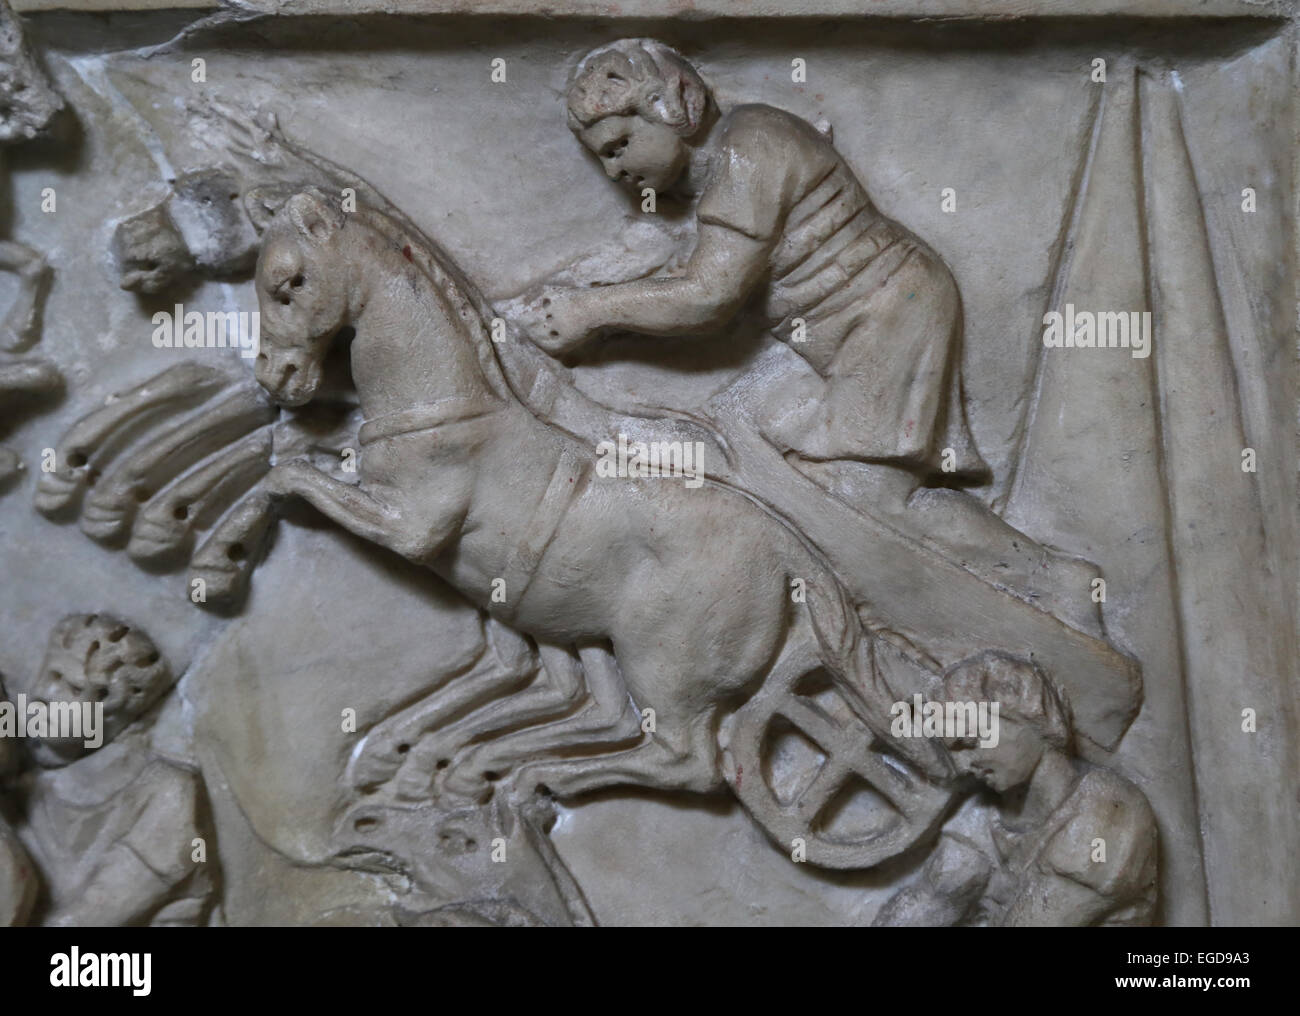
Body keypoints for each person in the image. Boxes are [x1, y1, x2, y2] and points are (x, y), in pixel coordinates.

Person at [510, 40, 1103, 630]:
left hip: (884, 312)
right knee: (746, 448)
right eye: (603, 160)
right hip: (822, 335)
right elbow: (675, 266)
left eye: (619, 147)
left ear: (678, 105)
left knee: (862, 495)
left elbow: (707, 297)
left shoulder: (752, 146)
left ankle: (1051, 581)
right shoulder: (708, 175)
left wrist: (592, 313)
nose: (615, 170)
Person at [872, 651, 1158, 926]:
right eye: (954, 751)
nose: (963, 765)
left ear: (1026, 719)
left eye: (971, 742)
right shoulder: (985, 819)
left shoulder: (1108, 813)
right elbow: (931, 901)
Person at [15, 614, 216, 926]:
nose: (44, 694)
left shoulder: (167, 792)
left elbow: (93, 915)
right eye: (48, 675)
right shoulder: (30, 794)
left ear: (112, 707)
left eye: (69, 686)